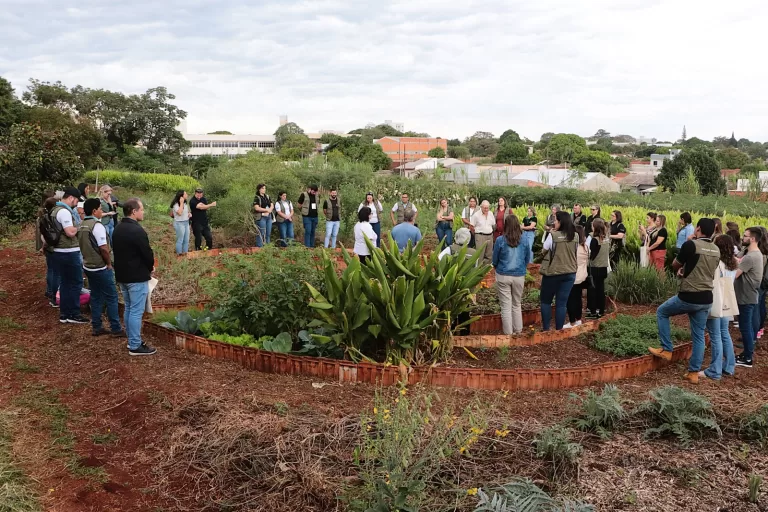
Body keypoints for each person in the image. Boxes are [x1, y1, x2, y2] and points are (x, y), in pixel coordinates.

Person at [649, 219, 719, 384]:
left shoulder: (691, 245)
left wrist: (681, 269)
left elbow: (675, 264)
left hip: (689, 295)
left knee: (662, 312)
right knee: (699, 336)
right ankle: (693, 373)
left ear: (698, 228)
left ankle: (667, 349)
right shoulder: (716, 249)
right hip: (706, 298)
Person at [113, 198, 157, 356]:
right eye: (142, 209)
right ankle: (135, 345)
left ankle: (132, 340)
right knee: (136, 311)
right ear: (134, 211)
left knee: (129, 308)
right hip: (136, 276)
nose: (143, 212)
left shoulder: (118, 228)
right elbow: (147, 253)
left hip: (122, 275)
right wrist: (150, 267)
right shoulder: (137, 231)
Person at [77, 199, 124, 337]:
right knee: (111, 297)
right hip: (100, 266)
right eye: (100, 209)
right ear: (94, 211)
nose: (101, 211)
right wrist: (109, 264)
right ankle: (116, 328)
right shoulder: (97, 226)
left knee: (96, 296)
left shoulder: (82, 225)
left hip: (88, 266)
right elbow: (103, 248)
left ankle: (97, 326)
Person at [700, 235, 739, 380]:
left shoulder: (717, 263)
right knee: (724, 333)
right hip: (727, 301)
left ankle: (714, 370)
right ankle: (729, 366)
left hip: (716, 300)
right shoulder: (733, 263)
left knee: (715, 335)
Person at [51, 187, 88, 324]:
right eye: (76, 200)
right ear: (71, 198)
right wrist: (81, 226)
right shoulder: (64, 212)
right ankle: (73, 313)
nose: (76, 204)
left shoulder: (54, 210)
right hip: (68, 251)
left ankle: (65, 313)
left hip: (59, 251)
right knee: (76, 282)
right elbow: (70, 232)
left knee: (65, 283)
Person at [492, 215, 531, 335]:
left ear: (506, 225)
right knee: (516, 304)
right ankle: (518, 331)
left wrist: (497, 267)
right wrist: (522, 268)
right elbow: (527, 258)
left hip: (503, 274)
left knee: (505, 306)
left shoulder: (500, 240)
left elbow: (495, 259)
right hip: (519, 275)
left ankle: (508, 334)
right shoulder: (524, 240)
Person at [540, 211, 578, 331]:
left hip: (553, 272)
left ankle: (546, 330)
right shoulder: (575, 236)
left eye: (555, 220)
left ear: (561, 222)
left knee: (546, 301)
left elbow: (544, 250)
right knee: (561, 303)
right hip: (570, 272)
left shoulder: (553, 236)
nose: (554, 222)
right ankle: (559, 330)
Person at [734, 227, 765, 368]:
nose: (743, 237)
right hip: (750, 295)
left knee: (745, 327)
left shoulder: (750, 257)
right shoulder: (756, 254)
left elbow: (735, 274)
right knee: (747, 327)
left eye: (745, 236)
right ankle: (746, 354)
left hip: (746, 297)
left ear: (752, 239)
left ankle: (747, 358)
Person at [37, 195, 60, 308]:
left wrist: (43, 247)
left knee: (50, 270)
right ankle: (53, 294)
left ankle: (49, 290)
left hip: (48, 248)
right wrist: (45, 245)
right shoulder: (51, 218)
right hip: (52, 247)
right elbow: (47, 236)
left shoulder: (43, 217)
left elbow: (43, 235)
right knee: (55, 272)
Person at [565, 225, 589, 329]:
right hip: (582, 276)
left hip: (573, 276)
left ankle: (572, 322)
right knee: (578, 298)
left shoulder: (574, 248)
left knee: (570, 299)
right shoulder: (585, 247)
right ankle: (578, 319)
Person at [587, 219, 610, 319]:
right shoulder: (606, 239)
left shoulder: (595, 240)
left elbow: (592, 255)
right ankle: (601, 310)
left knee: (593, 290)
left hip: (595, 268)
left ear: (595, 227)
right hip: (603, 267)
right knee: (601, 289)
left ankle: (593, 311)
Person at [471, 200, 495, 265]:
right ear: (481, 207)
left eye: (487, 208)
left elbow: (493, 224)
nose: (486, 209)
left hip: (490, 236)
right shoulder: (476, 215)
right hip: (480, 236)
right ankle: (478, 269)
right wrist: (476, 235)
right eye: (485, 208)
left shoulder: (491, 213)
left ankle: (487, 269)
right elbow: (471, 226)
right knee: (480, 254)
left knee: (489, 254)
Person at [170, 190, 191, 256]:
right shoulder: (176, 204)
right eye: (185, 194)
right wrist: (181, 203)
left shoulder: (185, 203)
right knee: (180, 239)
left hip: (186, 222)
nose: (187, 195)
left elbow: (186, 211)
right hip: (179, 223)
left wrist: (189, 214)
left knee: (186, 240)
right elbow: (179, 213)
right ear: (181, 196)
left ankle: (185, 253)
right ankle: (179, 254)